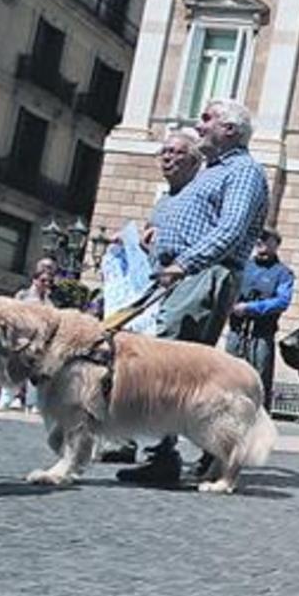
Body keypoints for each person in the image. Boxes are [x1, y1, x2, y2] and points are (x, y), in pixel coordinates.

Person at [118, 99, 269, 484]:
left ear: (231, 130)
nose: (198, 126)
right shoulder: (210, 172)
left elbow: (230, 229)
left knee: (172, 363)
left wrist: (184, 264)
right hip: (182, 275)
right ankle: (185, 451)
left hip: (203, 274)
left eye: (207, 119)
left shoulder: (243, 171)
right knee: (172, 360)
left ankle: (166, 455)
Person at [98, 129, 205, 464]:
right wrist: (136, 242)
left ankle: (162, 449)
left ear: (194, 160)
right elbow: (151, 245)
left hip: (177, 294)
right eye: (164, 152)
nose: (167, 157)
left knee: (166, 373)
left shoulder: (197, 197)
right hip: (149, 293)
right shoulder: (164, 201)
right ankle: (124, 438)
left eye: (175, 152)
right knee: (130, 368)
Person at [225, 228, 294, 409]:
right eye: (259, 240)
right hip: (236, 332)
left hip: (261, 334)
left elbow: (282, 301)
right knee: (228, 373)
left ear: (276, 245)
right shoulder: (244, 266)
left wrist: (250, 308)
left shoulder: (283, 273)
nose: (261, 243)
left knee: (259, 378)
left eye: (266, 240)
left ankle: (258, 416)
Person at [0, 258, 58, 411]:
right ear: (35, 279)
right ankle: (3, 399)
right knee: (9, 368)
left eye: (49, 282)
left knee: (33, 373)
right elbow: (11, 314)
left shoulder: (48, 302)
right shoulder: (23, 295)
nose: (46, 284)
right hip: (19, 339)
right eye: (43, 280)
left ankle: (29, 402)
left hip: (36, 342)